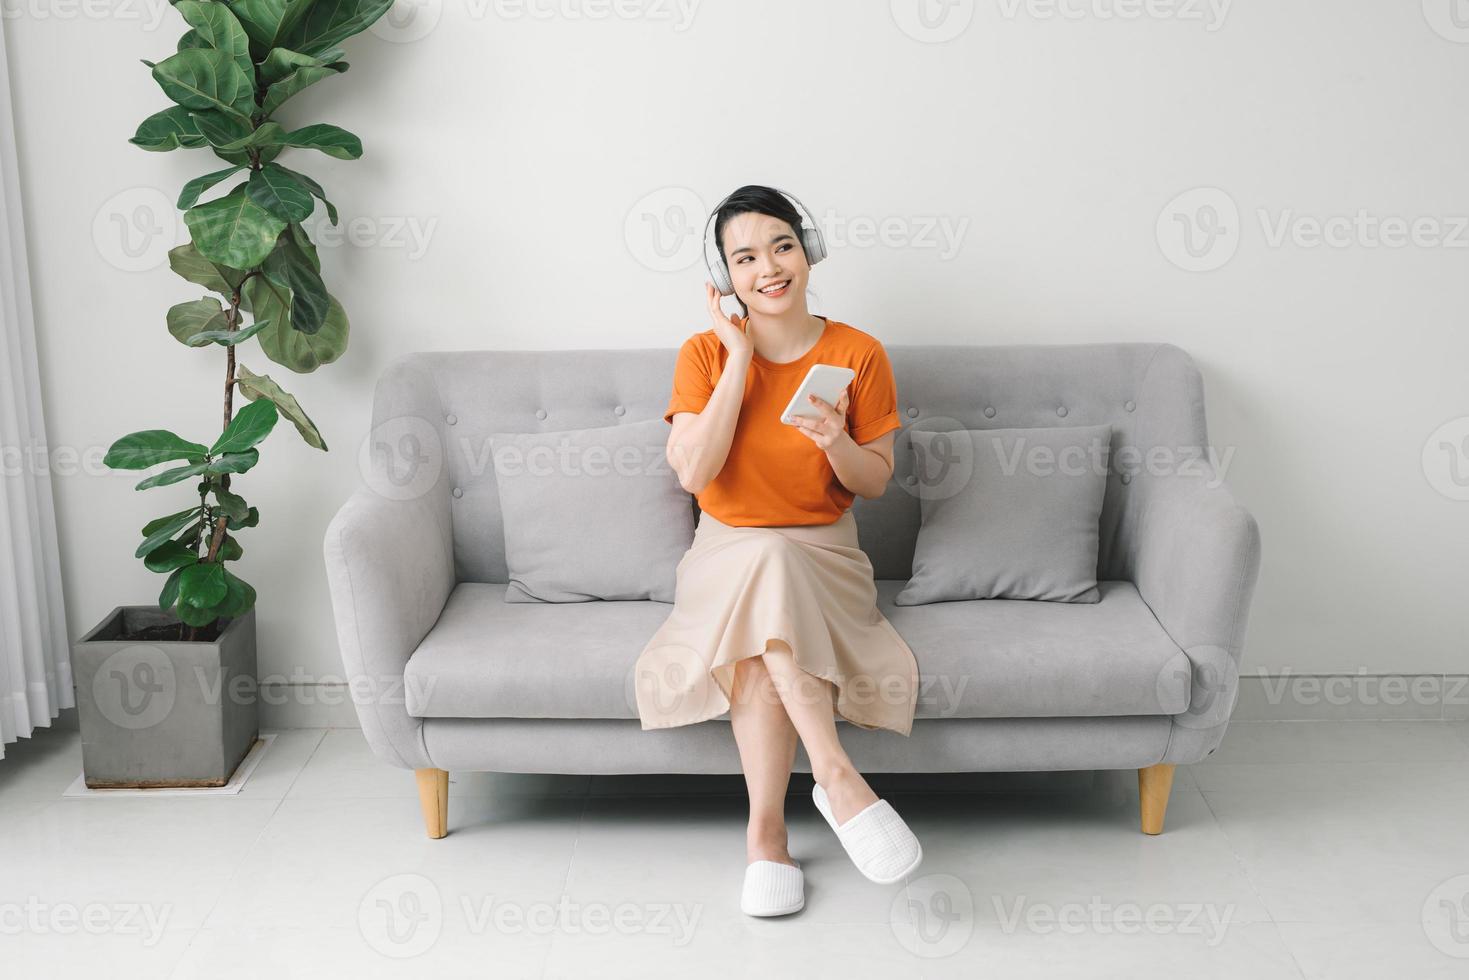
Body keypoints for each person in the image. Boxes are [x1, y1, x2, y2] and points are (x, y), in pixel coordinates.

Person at [633, 185, 923, 917]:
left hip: (824, 551)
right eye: (745, 256)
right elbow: (695, 474)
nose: (768, 267)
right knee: (764, 569)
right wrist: (738, 359)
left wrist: (836, 443)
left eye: (781, 245)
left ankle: (766, 837)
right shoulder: (702, 353)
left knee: (771, 610)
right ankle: (836, 776)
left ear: (808, 249)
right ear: (725, 277)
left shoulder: (858, 353)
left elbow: (877, 483)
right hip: (726, 550)